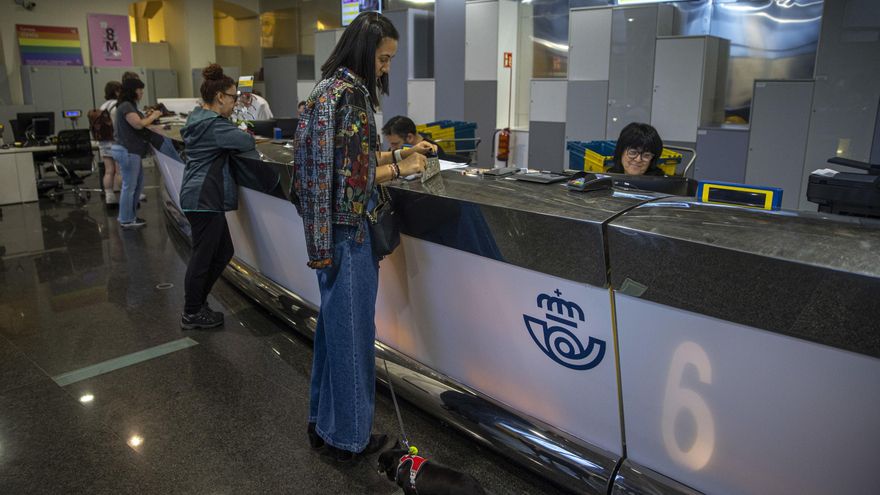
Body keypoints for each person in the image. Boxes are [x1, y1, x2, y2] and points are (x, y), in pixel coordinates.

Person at [291, 12, 430, 462]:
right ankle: (349, 437)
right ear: (366, 50)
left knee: (334, 332)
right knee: (353, 335)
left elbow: (348, 154)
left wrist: (395, 151)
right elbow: (355, 178)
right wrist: (402, 168)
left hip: (325, 232)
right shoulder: (351, 94)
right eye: (385, 58)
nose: (386, 67)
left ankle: (322, 422)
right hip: (351, 231)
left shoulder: (327, 87)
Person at [178, 64, 257, 330]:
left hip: (200, 196)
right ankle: (191, 312)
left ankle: (197, 304)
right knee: (203, 257)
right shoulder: (214, 125)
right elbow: (246, 142)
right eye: (233, 97)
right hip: (204, 198)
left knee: (223, 251)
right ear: (220, 97)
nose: (235, 102)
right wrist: (243, 133)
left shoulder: (199, 119)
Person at [112, 77, 161, 229]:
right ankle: (126, 219)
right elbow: (138, 124)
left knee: (136, 185)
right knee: (130, 186)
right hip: (128, 151)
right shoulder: (126, 106)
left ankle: (130, 216)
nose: (141, 93)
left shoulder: (128, 105)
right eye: (139, 90)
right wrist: (153, 117)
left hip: (131, 151)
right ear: (133, 90)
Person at [97, 81, 122, 204]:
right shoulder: (117, 106)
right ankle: (125, 194)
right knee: (119, 171)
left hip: (104, 141)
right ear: (117, 91)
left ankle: (109, 195)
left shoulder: (103, 106)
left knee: (108, 170)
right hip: (116, 141)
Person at [381, 115, 446, 160]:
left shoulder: (432, 152)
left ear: (409, 137)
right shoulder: (395, 150)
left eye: (395, 144)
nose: (392, 149)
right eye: (391, 143)